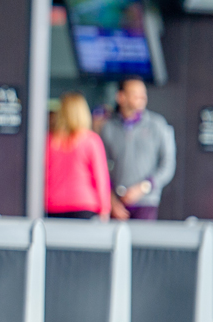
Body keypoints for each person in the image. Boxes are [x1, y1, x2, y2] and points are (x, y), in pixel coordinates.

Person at [98, 76, 176, 221]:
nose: (141, 97)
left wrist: (144, 187)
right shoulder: (108, 127)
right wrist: (110, 199)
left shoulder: (157, 125)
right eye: (135, 93)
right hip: (117, 204)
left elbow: (168, 165)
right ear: (121, 97)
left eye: (143, 94)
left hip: (146, 202)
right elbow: (101, 167)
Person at [45, 92, 111, 220]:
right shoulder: (91, 140)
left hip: (52, 204)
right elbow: (100, 177)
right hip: (84, 205)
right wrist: (105, 208)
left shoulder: (49, 141)